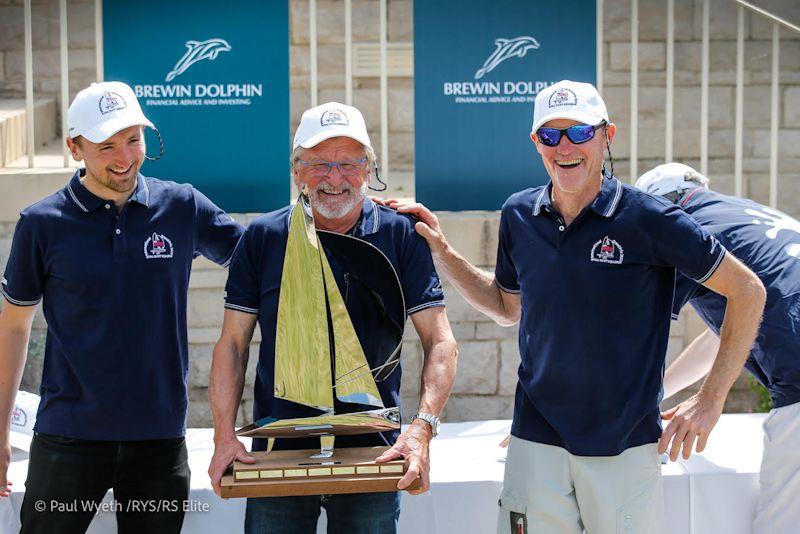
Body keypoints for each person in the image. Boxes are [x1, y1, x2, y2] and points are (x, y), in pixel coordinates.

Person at [383, 80, 766, 534]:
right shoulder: (519, 214)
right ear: (536, 143)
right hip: (536, 440)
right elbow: (507, 306)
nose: (564, 147)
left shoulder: (650, 219)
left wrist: (711, 399)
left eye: (579, 133)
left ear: (607, 136)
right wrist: (444, 252)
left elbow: (748, 290)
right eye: (551, 135)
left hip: (624, 445)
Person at [0, 81, 243, 533]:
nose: (125, 158)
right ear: (75, 147)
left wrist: (364, 224)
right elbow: (13, 327)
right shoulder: (41, 223)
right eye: (106, 145)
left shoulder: (182, 205)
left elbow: (258, 260)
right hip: (67, 438)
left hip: (159, 440)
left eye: (133, 139)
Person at [207, 102, 458, 534]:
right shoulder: (263, 237)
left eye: (348, 163)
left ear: (368, 168)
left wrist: (422, 428)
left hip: (374, 455)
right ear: (297, 171)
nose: (335, 178)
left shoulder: (400, 234)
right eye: (319, 164)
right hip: (276, 451)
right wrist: (224, 436)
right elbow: (232, 343)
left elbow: (441, 340)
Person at [636, 162, 800, 534]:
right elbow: (727, 335)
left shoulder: (684, 231)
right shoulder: (744, 215)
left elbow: (631, 333)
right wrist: (659, 390)